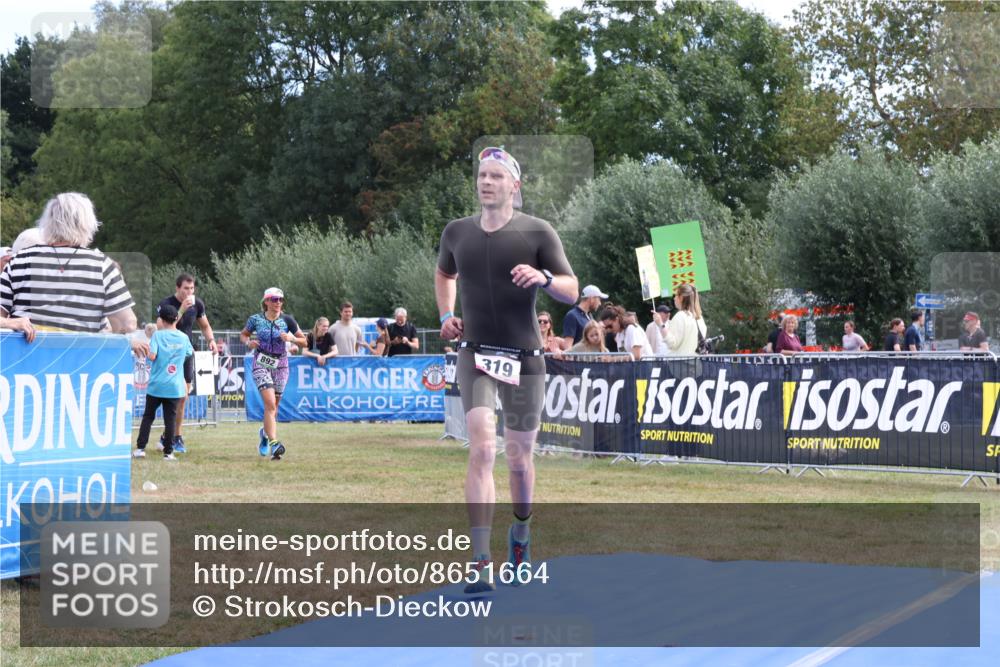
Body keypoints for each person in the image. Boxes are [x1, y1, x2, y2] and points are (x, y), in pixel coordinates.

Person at [435, 145, 578, 594]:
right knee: (481, 449)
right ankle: (480, 560)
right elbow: (445, 275)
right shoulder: (457, 232)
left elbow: (572, 290)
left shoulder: (537, 231)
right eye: (481, 174)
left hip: (524, 356)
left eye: (496, 175)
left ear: (514, 185)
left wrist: (544, 279)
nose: (486, 181)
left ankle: (520, 533)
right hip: (474, 353)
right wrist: (446, 315)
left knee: (517, 458)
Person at [0, 192, 148, 357]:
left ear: (47, 223)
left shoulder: (19, 261)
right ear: (87, 224)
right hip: (81, 366)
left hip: (25, 365)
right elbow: (127, 324)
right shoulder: (103, 266)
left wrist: (11, 323)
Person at [241, 287, 306, 461]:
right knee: (269, 404)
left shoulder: (287, 320)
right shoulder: (255, 319)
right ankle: (275, 444)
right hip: (261, 362)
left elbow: (305, 341)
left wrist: (292, 339)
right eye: (275, 299)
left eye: (280, 300)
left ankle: (265, 434)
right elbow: (244, 335)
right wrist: (248, 343)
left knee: (274, 408)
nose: (278, 303)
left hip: (281, 365)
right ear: (266, 301)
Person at [157, 273, 218, 454]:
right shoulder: (166, 303)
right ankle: (168, 435)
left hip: (186, 353)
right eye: (186, 288)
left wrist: (211, 340)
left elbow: (205, 326)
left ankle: (174, 437)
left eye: (192, 288)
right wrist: (182, 309)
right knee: (170, 397)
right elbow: (162, 327)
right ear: (178, 288)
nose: (189, 292)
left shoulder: (197, 304)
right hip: (169, 354)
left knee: (183, 396)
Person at [132, 305, 193, 461]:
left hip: (156, 385)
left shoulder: (157, 336)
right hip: (174, 386)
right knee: (170, 420)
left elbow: (152, 356)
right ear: (176, 319)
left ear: (162, 320)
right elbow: (189, 353)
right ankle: (168, 453)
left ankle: (140, 449)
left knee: (148, 417)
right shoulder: (184, 337)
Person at [663, 283, 707, 356]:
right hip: (696, 360)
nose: (674, 298)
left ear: (681, 298)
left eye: (676, 295)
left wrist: (661, 326)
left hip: (680, 361)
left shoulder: (680, 316)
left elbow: (672, 344)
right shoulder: (699, 317)